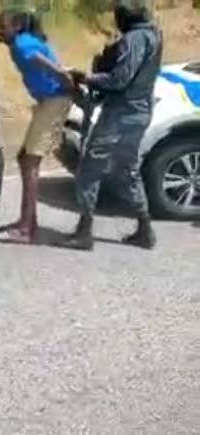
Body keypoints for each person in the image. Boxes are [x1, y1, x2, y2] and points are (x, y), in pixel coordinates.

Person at [63, 0, 162, 251]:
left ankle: (84, 231)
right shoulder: (153, 34)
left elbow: (119, 79)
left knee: (90, 168)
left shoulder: (135, 39)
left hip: (121, 113)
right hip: (138, 111)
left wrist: (87, 78)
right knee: (127, 169)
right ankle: (144, 229)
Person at [0, 10, 75, 244]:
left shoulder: (20, 43)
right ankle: (29, 221)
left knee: (30, 161)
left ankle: (26, 228)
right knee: (24, 158)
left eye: (3, 26)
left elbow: (39, 59)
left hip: (54, 101)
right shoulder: (24, 41)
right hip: (48, 101)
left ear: (18, 26)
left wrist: (61, 75)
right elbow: (42, 55)